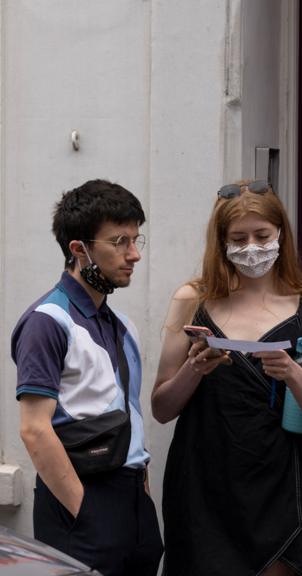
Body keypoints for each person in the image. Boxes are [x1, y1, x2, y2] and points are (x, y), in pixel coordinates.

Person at [152, 180, 302, 576]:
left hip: (281, 488)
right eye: (238, 238)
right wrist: (194, 369)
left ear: (281, 235)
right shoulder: (192, 300)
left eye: (262, 235)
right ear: (221, 242)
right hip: (204, 486)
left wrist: (295, 373)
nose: (252, 247)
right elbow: (161, 408)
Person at [13, 179, 163, 575]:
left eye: (136, 240)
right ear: (79, 249)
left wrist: (141, 500)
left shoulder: (123, 326)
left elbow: (128, 414)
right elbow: (34, 430)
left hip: (132, 506)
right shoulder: (48, 322)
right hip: (83, 503)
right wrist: (84, 510)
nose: (134, 254)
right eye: (119, 242)